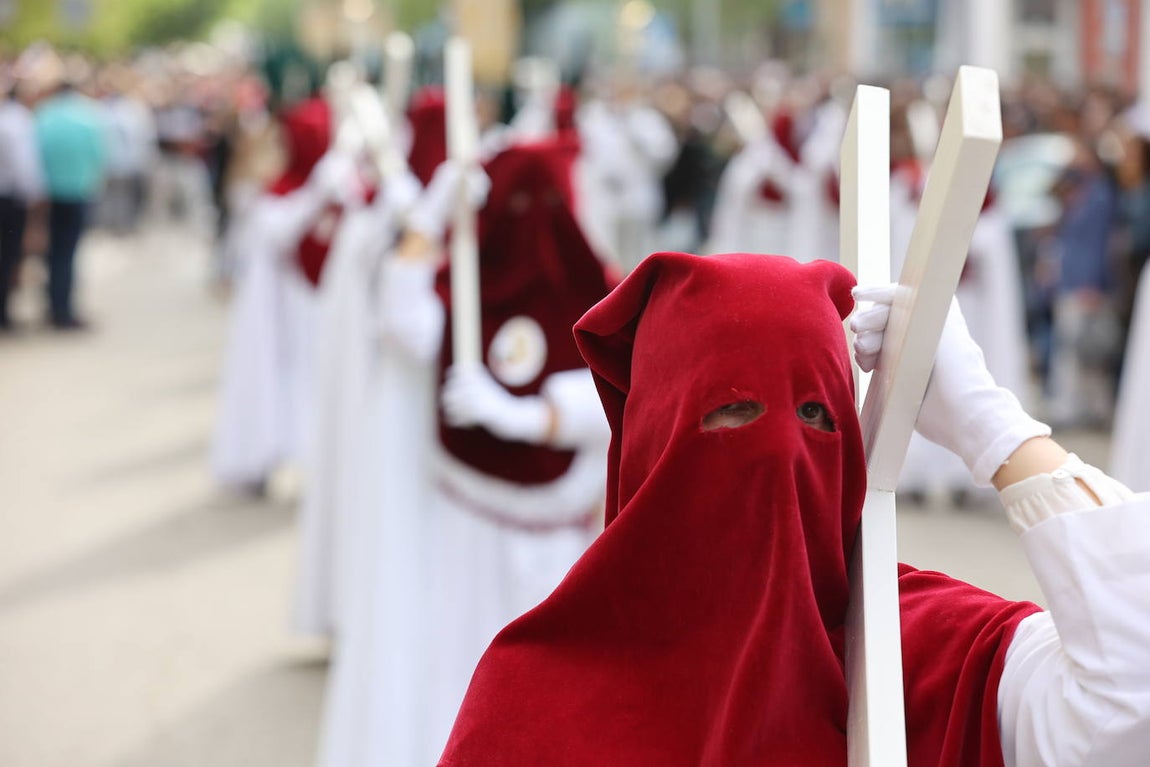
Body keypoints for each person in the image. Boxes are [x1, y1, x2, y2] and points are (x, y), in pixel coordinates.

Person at [438, 252, 1150, 766]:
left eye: (816, 415)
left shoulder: (916, 647)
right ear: (658, 437)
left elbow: (1133, 689)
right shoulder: (536, 688)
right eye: (733, 410)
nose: (780, 447)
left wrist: (994, 431)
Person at [316, 136, 616, 767]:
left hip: (563, 540)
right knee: (465, 672)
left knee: (548, 688)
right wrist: (430, 215)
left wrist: (528, 416)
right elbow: (403, 318)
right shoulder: (462, 300)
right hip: (468, 537)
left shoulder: (600, 298)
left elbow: (624, 390)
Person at [35, 78, 108, 329]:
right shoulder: (87, 115)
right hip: (76, 191)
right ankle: (62, 308)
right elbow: (99, 155)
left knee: (52, 251)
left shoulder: (44, 114)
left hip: (48, 192)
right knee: (67, 252)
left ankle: (54, 302)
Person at [0, 79, 43, 331]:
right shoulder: (18, 121)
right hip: (9, 199)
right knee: (7, 257)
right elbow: (23, 165)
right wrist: (33, 194)